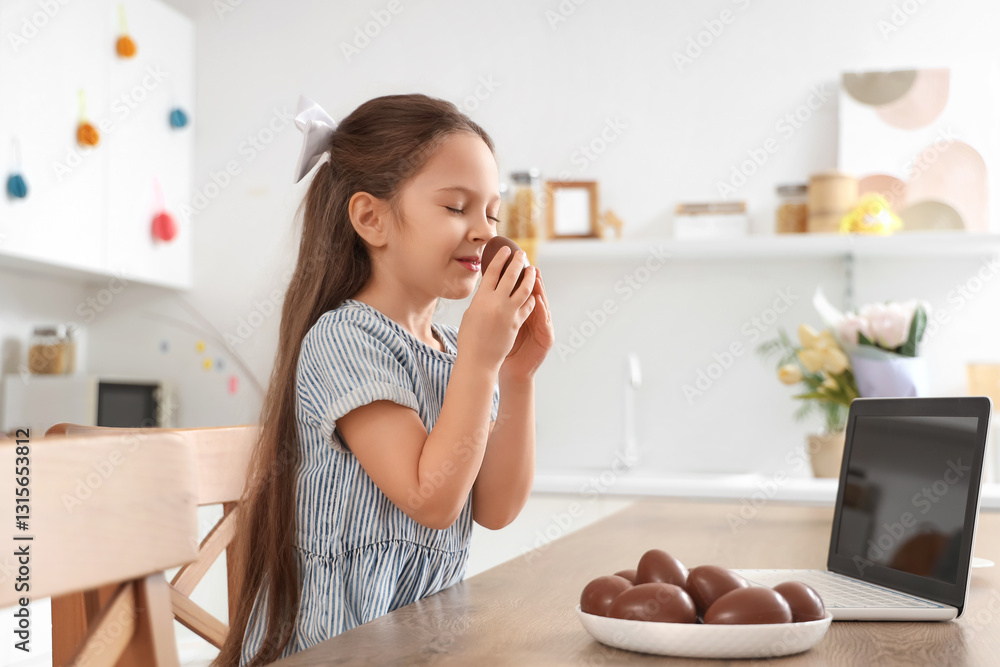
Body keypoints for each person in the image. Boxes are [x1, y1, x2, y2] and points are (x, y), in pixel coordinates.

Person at [213, 93, 554, 666]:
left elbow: (494, 508)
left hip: (416, 646)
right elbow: (430, 499)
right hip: (336, 648)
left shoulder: (453, 352)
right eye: (456, 208)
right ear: (371, 218)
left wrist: (516, 374)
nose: (483, 231)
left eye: (492, 214)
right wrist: (480, 360)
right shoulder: (345, 339)